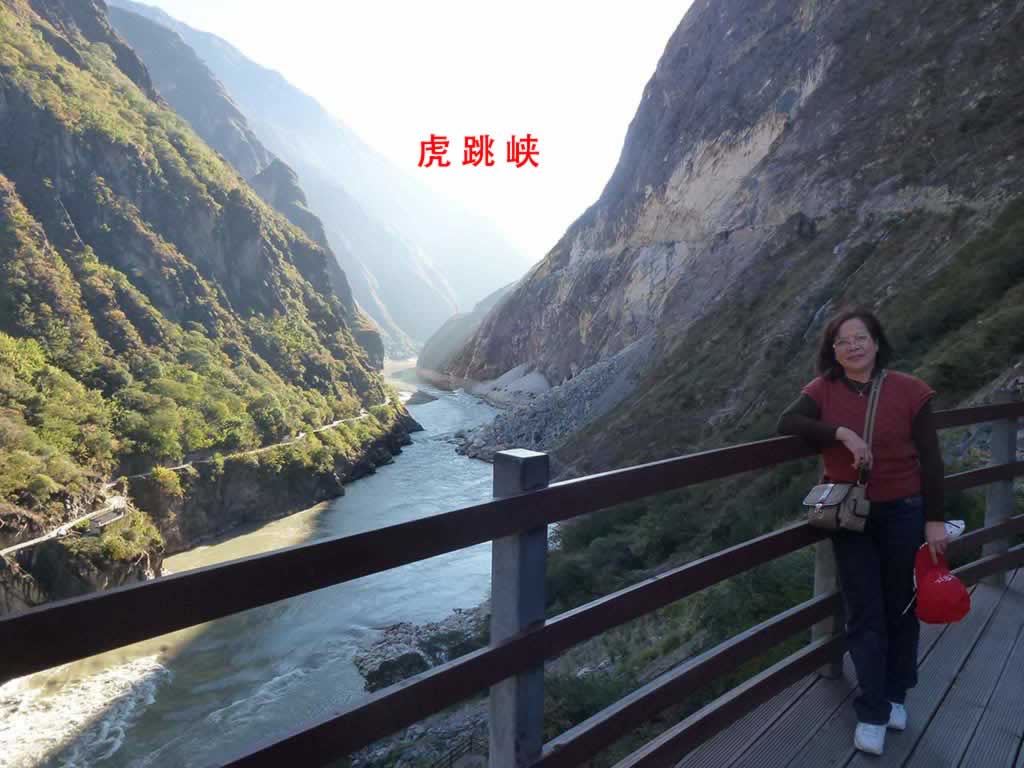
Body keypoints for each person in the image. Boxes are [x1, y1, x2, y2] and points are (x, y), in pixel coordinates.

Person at [777, 306, 947, 756]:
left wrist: (934, 518)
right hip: (851, 516)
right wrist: (842, 434)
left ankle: (896, 693)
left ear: (876, 342)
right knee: (864, 612)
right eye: (842, 341)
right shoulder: (822, 389)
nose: (852, 346)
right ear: (832, 350)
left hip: (904, 511)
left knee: (900, 607)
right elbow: (787, 422)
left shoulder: (910, 390)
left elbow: (931, 459)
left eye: (860, 338)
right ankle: (872, 710)